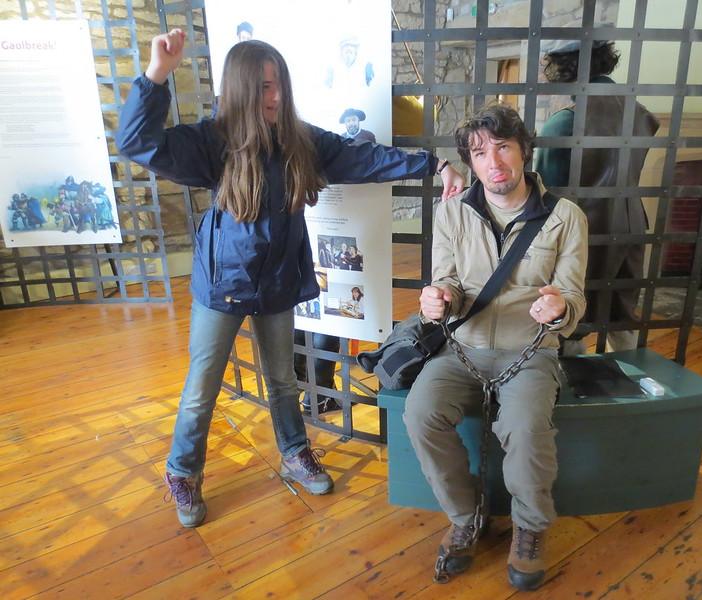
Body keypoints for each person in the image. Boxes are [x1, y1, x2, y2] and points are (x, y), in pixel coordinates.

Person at [116, 29, 464, 528]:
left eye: (278, 85)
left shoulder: (300, 140)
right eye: (262, 87)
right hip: (223, 286)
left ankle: (295, 452)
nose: (275, 96)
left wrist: (436, 163)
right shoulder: (212, 143)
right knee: (202, 388)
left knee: (283, 380)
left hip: (278, 283)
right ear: (239, 89)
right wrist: (157, 76)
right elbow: (135, 142)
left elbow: (362, 157)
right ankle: (182, 471)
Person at [403, 103, 587, 591]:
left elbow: (574, 295)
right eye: (480, 153)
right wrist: (438, 297)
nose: (493, 162)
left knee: (526, 428)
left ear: (524, 150)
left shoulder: (565, 218)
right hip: (463, 346)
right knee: (420, 414)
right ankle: (466, 516)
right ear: (470, 160)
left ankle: (529, 530)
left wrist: (559, 306)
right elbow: (447, 277)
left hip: (530, 351)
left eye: (503, 147)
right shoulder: (451, 213)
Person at [534, 33, 659, 353]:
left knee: (572, 312)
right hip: (631, 221)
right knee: (621, 310)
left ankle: (570, 383)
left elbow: (548, 191)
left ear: (565, 69)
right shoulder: (642, 115)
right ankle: (630, 381)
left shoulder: (564, 125)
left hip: (585, 227)